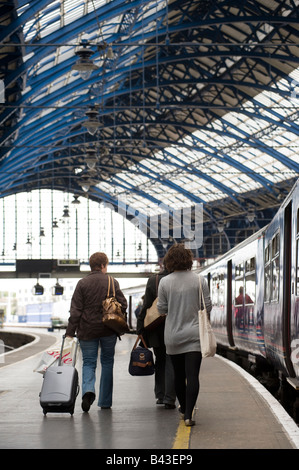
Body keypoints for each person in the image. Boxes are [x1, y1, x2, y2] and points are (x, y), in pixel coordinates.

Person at [157, 244, 212, 426]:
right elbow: (208, 306)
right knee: (193, 375)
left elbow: (161, 309)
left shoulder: (164, 282)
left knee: (179, 376)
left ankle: (183, 408)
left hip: (173, 336)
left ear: (169, 261)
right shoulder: (199, 280)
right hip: (195, 334)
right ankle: (188, 414)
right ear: (189, 260)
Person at [66, 252, 127, 412]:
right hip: (108, 329)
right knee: (107, 363)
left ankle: (88, 391)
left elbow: (76, 311)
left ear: (91, 265)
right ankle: (105, 401)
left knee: (88, 362)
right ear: (102, 265)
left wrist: (70, 332)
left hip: (87, 330)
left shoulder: (82, 283)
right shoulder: (112, 282)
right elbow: (123, 304)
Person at [137, 268, 176, 409]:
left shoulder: (154, 280)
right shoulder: (180, 278)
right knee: (173, 361)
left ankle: (161, 395)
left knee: (160, 361)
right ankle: (170, 397)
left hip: (157, 329)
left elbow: (147, 306)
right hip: (176, 326)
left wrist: (140, 329)